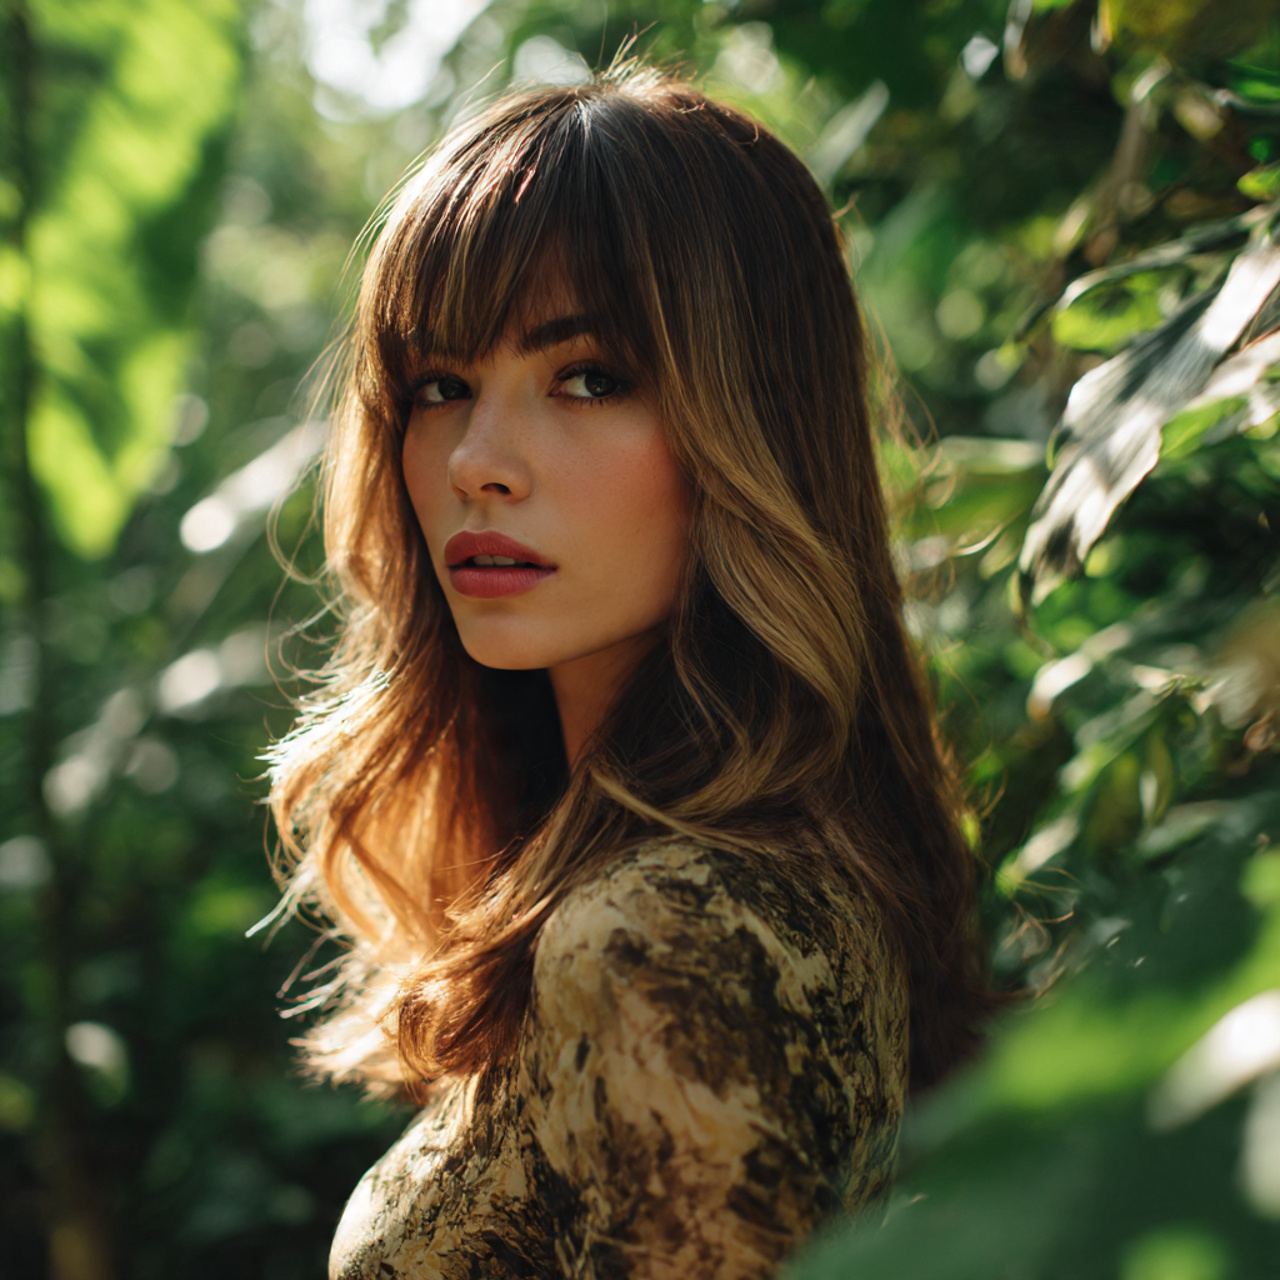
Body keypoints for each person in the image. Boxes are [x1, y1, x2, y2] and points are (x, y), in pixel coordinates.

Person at [267, 60, 993, 1280]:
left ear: (750, 425)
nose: (476, 462)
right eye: (439, 386)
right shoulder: (777, 882)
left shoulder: (659, 933)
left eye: (587, 376)